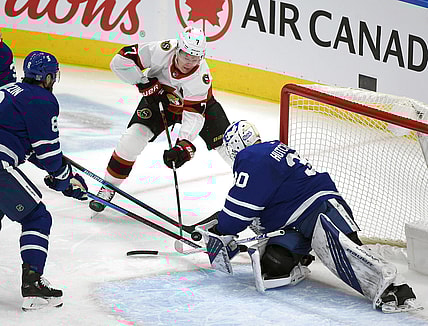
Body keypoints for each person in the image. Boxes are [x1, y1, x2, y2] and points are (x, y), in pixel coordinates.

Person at [198, 120, 422, 314]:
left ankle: (395, 289)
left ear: (235, 146)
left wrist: (224, 228)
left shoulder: (252, 157)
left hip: (320, 208)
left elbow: (242, 206)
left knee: (351, 253)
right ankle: (301, 260)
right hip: (295, 222)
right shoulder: (271, 150)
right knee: (274, 266)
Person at [89, 26, 230, 213]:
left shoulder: (200, 79)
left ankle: (255, 199)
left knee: (230, 147)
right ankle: (108, 186)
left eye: (195, 58)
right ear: (178, 49)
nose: (189, 62)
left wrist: (183, 145)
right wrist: (142, 81)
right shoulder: (161, 50)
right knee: (131, 139)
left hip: (201, 107)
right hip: (158, 100)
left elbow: (193, 115)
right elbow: (120, 61)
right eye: (186, 55)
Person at [0, 51, 88, 311]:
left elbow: (30, 147)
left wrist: (63, 174)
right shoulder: (42, 99)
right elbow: (48, 154)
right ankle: (33, 286)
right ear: (48, 76)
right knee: (37, 217)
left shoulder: (9, 88)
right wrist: (64, 181)